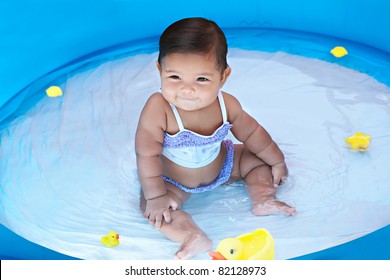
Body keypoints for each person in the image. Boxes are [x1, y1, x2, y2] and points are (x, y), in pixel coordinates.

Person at [135, 17, 296, 260]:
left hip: (223, 167)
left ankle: (263, 199)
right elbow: (147, 154)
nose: (187, 90)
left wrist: (277, 161)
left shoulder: (226, 104)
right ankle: (191, 235)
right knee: (153, 209)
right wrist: (157, 196)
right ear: (160, 70)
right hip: (174, 182)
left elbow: (253, 134)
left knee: (257, 159)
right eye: (175, 78)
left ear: (223, 76)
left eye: (201, 79)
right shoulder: (159, 108)